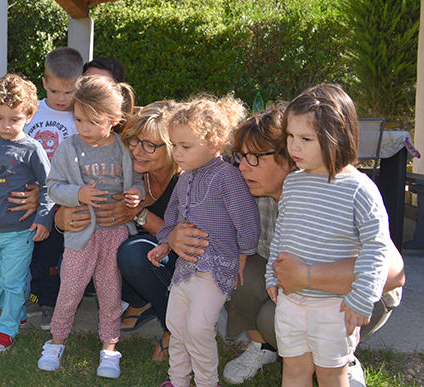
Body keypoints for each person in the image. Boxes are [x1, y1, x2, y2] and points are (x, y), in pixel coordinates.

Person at [171, 104, 405, 385]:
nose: (243, 167)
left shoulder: (336, 189)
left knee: (274, 320)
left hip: (361, 296)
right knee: (237, 278)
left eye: (255, 157)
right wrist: (174, 235)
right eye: (241, 157)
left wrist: (307, 276)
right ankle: (263, 348)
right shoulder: (248, 194)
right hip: (293, 288)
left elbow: (392, 272)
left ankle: (341, 358)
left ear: (291, 158)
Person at [264, 84, 391, 387]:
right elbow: (283, 230)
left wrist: (363, 298)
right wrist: (272, 273)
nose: (294, 147)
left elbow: (377, 246)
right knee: (293, 371)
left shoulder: (359, 189)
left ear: (338, 136)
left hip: (335, 308)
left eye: (305, 139)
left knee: (332, 375)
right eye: (290, 137)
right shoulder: (293, 182)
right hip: (291, 301)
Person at [0, 47, 83, 331]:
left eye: (14, 119)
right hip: (2, 217)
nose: (6, 125)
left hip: (43, 209)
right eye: (55, 91)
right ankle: (19, 305)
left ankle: (28, 314)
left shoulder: (76, 120)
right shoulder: (0, 135)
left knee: (34, 266)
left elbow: (52, 179)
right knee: (2, 270)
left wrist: (44, 210)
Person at [149, 96, 260, 387]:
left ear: (216, 143)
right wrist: (164, 242)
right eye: (174, 145)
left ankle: (207, 382)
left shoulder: (228, 178)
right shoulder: (184, 178)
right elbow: (171, 217)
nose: (178, 153)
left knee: (198, 328)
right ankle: (178, 379)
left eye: (186, 146)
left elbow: (246, 219)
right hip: (184, 269)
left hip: (215, 268)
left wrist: (244, 254)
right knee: (176, 325)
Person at [37, 75, 141, 379]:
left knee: (111, 293)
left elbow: (136, 182)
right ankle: (56, 341)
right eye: (78, 119)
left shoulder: (123, 148)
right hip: (80, 236)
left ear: (114, 119)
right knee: (69, 289)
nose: (83, 128)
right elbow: (53, 185)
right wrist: (78, 194)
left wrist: (136, 195)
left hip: (114, 234)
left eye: (92, 122)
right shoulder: (69, 148)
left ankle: (109, 348)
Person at [0, 74, 55, 353]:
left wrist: (43, 218)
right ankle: (16, 313)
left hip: (20, 231)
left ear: (29, 116)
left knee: (13, 279)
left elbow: (48, 187)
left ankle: (6, 329)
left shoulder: (32, 150)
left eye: (14, 119)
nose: (6, 125)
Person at [115, 100, 183, 363]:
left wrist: (139, 214)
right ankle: (142, 299)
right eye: (133, 141)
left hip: (180, 260)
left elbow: (184, 237)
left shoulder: (186, 178)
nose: (137, 151)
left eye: (150, 145)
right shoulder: (128, 169)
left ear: (171, 149)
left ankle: (174, 328)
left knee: (133, 254)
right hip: (149, 251)